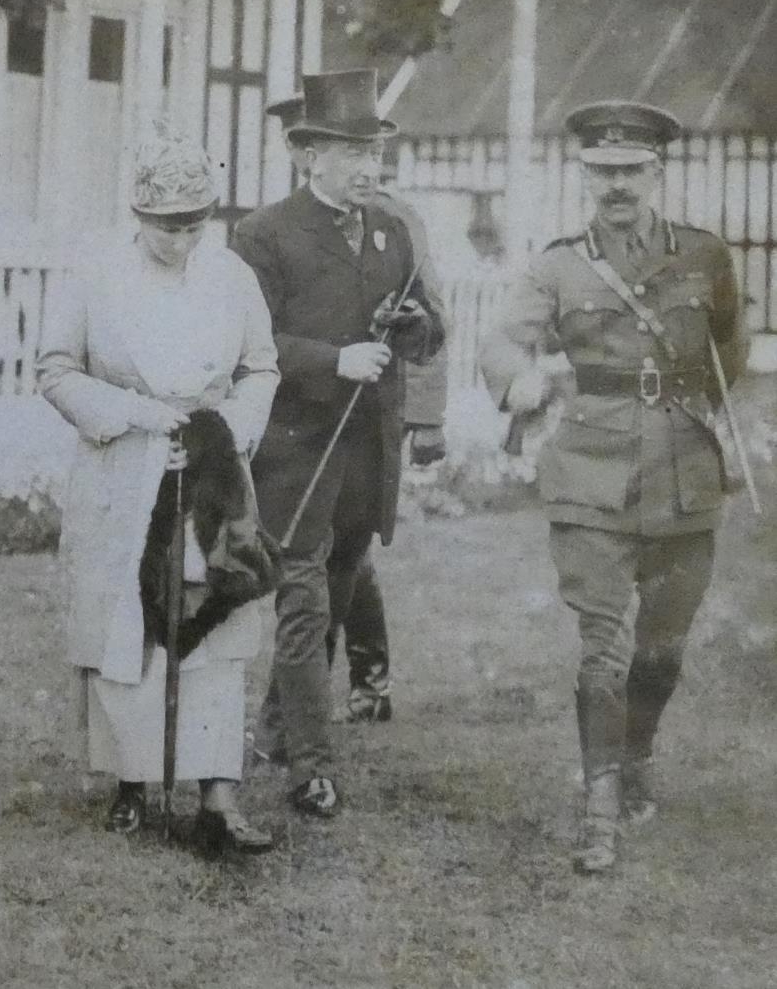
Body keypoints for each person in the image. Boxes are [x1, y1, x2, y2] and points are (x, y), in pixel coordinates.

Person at [480, 101, 747, 874]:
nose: (617, 185)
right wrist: (518, 380)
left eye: (631, 171)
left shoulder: (703, 257)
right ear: (586, 176)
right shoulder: (558, 264)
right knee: (603, 647)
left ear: (657, 172)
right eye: (603, 172)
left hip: (684, 476)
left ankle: (637, 758)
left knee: (661, 650)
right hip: (591, 475)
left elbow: (729, 346)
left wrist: (705, 400)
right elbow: (502, 339)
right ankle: (600, 808)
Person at [37, 121, 280, 854]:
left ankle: (219, 794)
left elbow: (260, 366)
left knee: (217, 614)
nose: (181, 240)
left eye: (194, 225)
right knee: (129, 622)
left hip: (210, 473)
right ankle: (132, 781)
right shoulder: (95, 272)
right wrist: (134, 414)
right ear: (139, 217)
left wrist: (229, 428)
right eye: (166, 227)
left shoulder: (232, 275)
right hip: (126, 467)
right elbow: (55, 369)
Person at [231, 69, 444, 817]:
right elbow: (250, 342)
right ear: (305, 155)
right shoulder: (264, 233)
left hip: (367, 452)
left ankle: (273, 730)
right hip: (296, 449)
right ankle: (311, 769)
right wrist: (335, 359)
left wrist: (412, 327)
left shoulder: (392, 230)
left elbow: (431, 324)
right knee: (304, 603)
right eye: (350, 152)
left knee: (342, 582)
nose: (367, 166)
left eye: (374, 150)